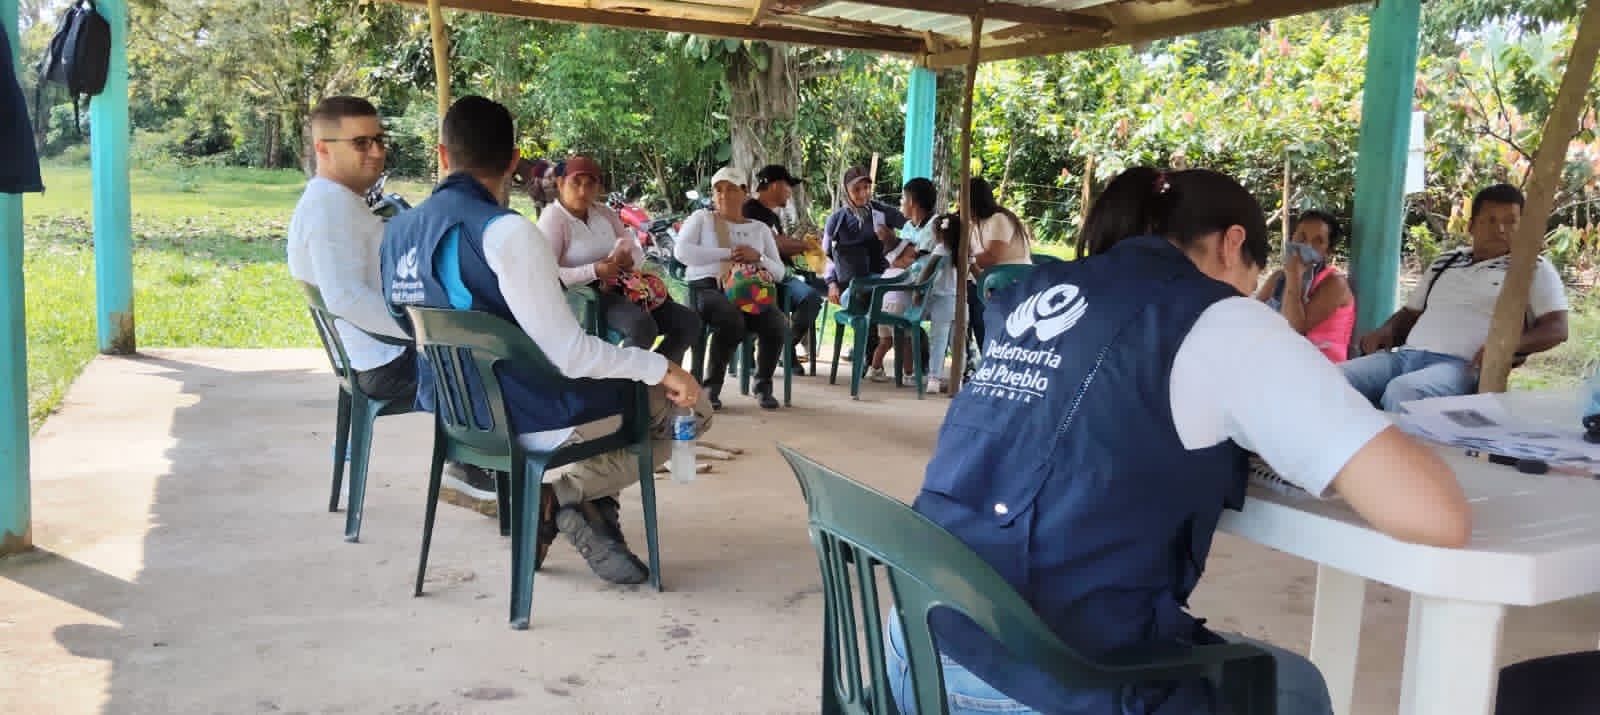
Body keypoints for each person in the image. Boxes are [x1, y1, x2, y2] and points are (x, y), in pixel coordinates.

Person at [887, 166, 1472, 715]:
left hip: (911, 641)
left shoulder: (1038, 289)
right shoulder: (1220, 317)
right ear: (1231, 242)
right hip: (1030, 679)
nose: (1249, 293)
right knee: (1295, 690)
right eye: (1251, 276)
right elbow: (1437, 515)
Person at [380, 96, 710, 585]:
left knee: (622, 389)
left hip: (455, 413)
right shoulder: (506, 232)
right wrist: (663, 368)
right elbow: (572, 354)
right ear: (514, 162)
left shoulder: (397, 232)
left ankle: (589, 515)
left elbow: (404, 326)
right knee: (689, 410)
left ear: (443, 155)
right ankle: (559, 497)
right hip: (526, 414)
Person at [286, 96, 496, 509]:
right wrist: (422, 333)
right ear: (323, 149)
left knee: (481, 339)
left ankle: (479, 464)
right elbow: (346, 298)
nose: (377, 151)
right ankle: (475, 467)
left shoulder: (339, 201)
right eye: (362, 143)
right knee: (501, 359)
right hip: (383, 362)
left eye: (380, 139)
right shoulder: (329, 209)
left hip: (371, 354)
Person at [1342, 183, 1569, 411]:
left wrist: (1505, 347)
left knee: (1405, 391)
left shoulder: (1533, 268)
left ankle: (1398, 447)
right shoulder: (1445, 262)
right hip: (1405, 357)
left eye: (1510, 221)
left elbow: (1557, 328)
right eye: (1489, 220)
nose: (1500, 229)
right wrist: (1387, 330)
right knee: (1335, 377)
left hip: (1462, 367)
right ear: (1471, 226)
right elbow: (1410, 314)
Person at [538, 154, 700, 365]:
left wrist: (627, 260)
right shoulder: (553, 219)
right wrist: (595, 270)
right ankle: (623, 389)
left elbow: (632, 247)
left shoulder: (604, 212)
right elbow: (548, 273)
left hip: (624, 286)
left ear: (598, 188)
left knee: (688, 322)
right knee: (642, 326)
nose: (582, 191)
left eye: (590, 185)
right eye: (575, 183)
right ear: (560, 183)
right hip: (586, 294)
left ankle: (659, 377)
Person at [674, 166, 789, 411]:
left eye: (730, 189)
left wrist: (757, 257)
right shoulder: (702, 219)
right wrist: (730, 254)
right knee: (731, 317)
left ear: (745, 193)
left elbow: (779, 272)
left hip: (749, 291)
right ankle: (710, 389)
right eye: (718, 190)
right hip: (706, 288)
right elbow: (682, 252)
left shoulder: (760, 229)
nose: (723, 195)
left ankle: (763, 386)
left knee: (776, 323)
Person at [745, 164, 824, 372]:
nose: (790, 192)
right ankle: (777, 351)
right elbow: (774, 244)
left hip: (781, 274)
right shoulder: (752, 210)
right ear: (774, 185)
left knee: (811, 298)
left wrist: (804, 249)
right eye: (788, 186)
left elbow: (779, 250)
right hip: (761, 277)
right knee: (796, 299)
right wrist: (806, 245)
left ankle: (785, 347)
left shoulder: (771, 215)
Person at [1253, 210, 1355, 362]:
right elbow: (1253, 316)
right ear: (1292, 238)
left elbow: (1294, 329)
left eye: (1318, 241)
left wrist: (1294, 277)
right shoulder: (1279, 278)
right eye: (1301, 237)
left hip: (1322, 366)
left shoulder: (1335, 284)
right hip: (1281, 359)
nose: (1307, 245)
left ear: (1328, 252)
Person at [865, 239, 919, 382]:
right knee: (906, 343)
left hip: (881, 311)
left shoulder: (886, 273)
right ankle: (908, 374)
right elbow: (917, 287)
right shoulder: (906, 274)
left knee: (884, 342)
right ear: (895, 258)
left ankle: (874, 369)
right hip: (898, 311)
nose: (914, 261)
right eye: (910, 257)